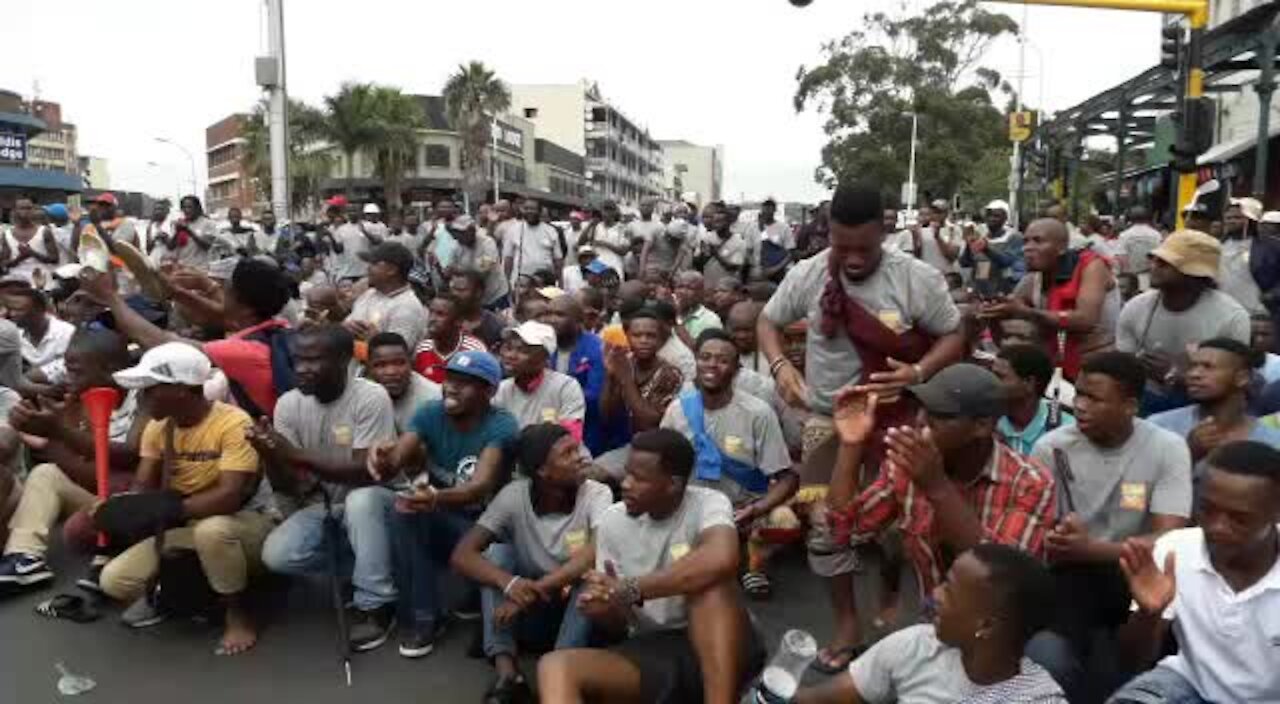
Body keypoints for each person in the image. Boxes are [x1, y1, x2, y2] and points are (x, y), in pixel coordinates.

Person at [757, 183, 965, 669]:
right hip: (829, 421)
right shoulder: (809, 274)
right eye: (840, 245)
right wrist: (780, 367)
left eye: (863, 248)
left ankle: (920, 625)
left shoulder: (916, 279)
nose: (850, 258)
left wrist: (918, 372)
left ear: (884, 231)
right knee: (827, 531)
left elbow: (954, 334)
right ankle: (847, 625)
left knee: (907, 531)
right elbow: (769, 322)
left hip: (900, 419)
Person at [820, 364, 1056, 671]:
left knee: (1048, 658)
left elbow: (1000, 579)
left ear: (983, 425)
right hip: (936, 617)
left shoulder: (1031, 482)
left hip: (1006, 626)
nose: (921, 423)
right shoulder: (908, 464)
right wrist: (851, 445)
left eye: (939, 415)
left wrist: (936, 486)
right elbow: (844, 529)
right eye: (921, 410)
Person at [535, 428, 766, 704]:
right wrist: (605, 610)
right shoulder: (613, 521)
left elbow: (722, 558)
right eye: (627, 473)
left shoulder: (707, 503)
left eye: (639, 478)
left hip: (726, 643)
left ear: (673, 484)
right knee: (555, 666)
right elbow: (620, 627)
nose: (626, 484)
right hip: (655, 649)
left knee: (709, 587)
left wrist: (630, 588)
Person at [1027, 352, 1193, 703]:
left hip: (1141, 573)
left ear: (1130, 405)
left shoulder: (1167, 447)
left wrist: (1094, 549)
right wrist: (1062, 540)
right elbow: (1039, 531)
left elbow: (1171, 537)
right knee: (1051, 655)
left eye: (1095, 398)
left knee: (1151, 657)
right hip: (1071, 574)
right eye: (1080, 394)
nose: (1081, 405)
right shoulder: (1052, 447)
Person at [96, 343, 271, 656]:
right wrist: (123, 506)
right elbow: (143, 484)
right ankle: (198, 591)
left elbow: (229, 496)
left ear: (181, 389)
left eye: (149, 389)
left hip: (249, 524)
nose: (142, 397)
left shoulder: (232, 423)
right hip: (193, 524)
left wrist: (165, 507)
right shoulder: (158, 428)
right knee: (115, 581)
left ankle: (237, 613)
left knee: (212, 531)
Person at [255, 325, 400, 652]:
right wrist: (270, 455)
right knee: (278, 556)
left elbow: (367, 472)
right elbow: (291, 484)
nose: (302, 369)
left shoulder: (370, 397)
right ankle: (376, 567)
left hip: (380, 504)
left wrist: (292, 453)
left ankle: (376, 604)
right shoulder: (288, 404)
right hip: (326, 507)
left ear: (344, 360)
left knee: (361, 502)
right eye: (297, 360)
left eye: (314, 360)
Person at [367, 350, 518, 657]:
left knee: (417, 512)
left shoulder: (502, 424)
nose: (450, 387)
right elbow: (396, 459)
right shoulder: (429, 412)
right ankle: (427, 616)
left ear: (488, 391)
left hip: (486, 527)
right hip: (441, 518)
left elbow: (479, 487)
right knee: (406, 511)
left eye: (464, 383)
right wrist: (383, 456)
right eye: (449, 378)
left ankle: (457, 598)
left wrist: (435, 497)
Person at [1107, 441, 1280, 704]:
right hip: (1189, 685)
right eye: (1207, 510)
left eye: (1239, 518)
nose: (1216, 527)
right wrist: (1148, 614)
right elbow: (1131, 663)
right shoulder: (1175, 550)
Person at [450, 424, 610, 701]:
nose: (581, 457)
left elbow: (592, 555)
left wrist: (534, 588)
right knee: (497, 556)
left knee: (590, 578)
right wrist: (509, 583)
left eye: (577, 448)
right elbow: (463, 554)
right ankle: (508, 673)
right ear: (542, 471)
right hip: (529, 612)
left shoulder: (596, 493)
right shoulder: (514, 495)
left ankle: (562, 671)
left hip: (576, 615)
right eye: (567, 453)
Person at [790, 544, 1067, 704]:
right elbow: (819, 700)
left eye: (949, 589)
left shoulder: (1038, 700)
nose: (934, 595)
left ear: (987, 626)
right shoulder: (917, 646)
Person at [0, 330, 144, 591]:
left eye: (77, 371)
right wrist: (49, 436)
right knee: (45, 473)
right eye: (67, 370)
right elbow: (84, 470)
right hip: (99, 495)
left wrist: (54, 436)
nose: (68, 379)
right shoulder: (77, 402)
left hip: (133, 500)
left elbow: (129, 456)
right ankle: (23, 557)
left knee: (85, 509)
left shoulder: (142, 395)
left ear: (110, 369)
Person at [661, 329, 797, 598]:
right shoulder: (678, 410)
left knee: (785, 521)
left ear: (736, 369)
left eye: (722, 360)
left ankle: (755, 562)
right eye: (705, 357)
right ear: (695, 362)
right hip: (692, 509)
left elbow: (786, 478)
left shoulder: (758, 413)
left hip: (742, 509)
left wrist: (756, 509)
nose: (712, 365)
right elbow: (663, 466)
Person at [82, 257, 295, 418]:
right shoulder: (277, 327)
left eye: (226, 290)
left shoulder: (244, 351)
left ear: (245, 306)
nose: (219, 292)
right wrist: (176, 292)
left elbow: (162, 344)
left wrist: (110, 297)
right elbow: (228, 315)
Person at [1116, 230, 1250, 415]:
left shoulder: (1232, 317)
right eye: (1155, 260)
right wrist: (1137, 366)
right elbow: (1122, 369)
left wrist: (1177, 376)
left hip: (1205, 407)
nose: (1154, 266)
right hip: (1144, 400)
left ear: (1194, 275)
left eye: (1165, 263)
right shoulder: (1135, 308)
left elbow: (1233, 383)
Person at [986, 217, 1118, 380]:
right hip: (1055, 369)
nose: (1028, 248)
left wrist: (1026, 312)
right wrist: (994, 315)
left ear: (1061, 248)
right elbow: (1007, 334)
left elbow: (1085, 319)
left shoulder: (1092, 266)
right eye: (1026, 241)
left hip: (1098, 369)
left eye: (1038, 241)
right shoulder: (1031, 280)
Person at [1148, 338, 1280, 479]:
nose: (1194, 374)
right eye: (1192, 366)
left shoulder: (1272, 442)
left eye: (1208, 367)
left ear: (1242, 378)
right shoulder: (1158, 427)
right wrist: (1188, 455)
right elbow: (1132, 491)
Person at [495, 321, 586, 438]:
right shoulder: (501, 390)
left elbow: (571, 437)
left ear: (544, 358)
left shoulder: (566, 387)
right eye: (508, 348)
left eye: (523, 351)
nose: (511, 355)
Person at [343, 241, 427, 352]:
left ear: (391, 270)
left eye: (374, 264)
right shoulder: (369, 294)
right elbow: (347, 325)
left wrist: (376, 340)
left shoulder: (407, 307)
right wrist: (345, 328)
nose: (367, 268)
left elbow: (395, 356)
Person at [993, 344, 1075, 455]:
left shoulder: (1067, 430)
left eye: (999, 377)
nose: (990, 382)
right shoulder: (983, 422)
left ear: (1029, 382)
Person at [366, 332, 441, 432]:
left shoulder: (433, 400)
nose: (391, 372)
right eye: (381, 365)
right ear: (369, 369)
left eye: (399, 363)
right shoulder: (362, 395)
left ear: (411, 363)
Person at [412, 292, 487, 383]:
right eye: (431, 312)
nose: (432, 319)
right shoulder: (422, 349)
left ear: (458, 321)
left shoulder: (474, 351)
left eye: (440, 314)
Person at [4, 285, 74, 370]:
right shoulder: (14, 335)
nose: (12, 314)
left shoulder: (67, 333)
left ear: (39, 309)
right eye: (11, 309)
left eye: (19, 310)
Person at [504, 198, 563, 291]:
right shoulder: (513, 230)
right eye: (526, 208)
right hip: (520, 283)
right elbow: (508, 258)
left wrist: (560, 283)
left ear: (539, 211)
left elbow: (558, 260)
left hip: (545, 283)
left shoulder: (550, 231)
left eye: (532, 208)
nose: (529, 211)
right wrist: (506, 282)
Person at [1219, 197, 1265, 314]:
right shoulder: (1219, 244)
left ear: (1251, 220)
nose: (1231, 221)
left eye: (1237, 218)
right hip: (1222, 312)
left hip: (1255, 314)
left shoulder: (1269, 248)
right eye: (1228, 218)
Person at [1, 196, 60, 286]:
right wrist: (20, 258)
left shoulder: (44, 231)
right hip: (16, 281)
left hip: (42, 280)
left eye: (29, 208)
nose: (26, 211)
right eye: (22, 208)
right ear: (15, 211)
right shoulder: (7, 234)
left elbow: (54, 259)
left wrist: (32, 253)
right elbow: (4, 263)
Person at [695, 202, 749, 288]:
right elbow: (699, 265)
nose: (717, 225)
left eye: (720, 221)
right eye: (715, 221)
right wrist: (702, 254)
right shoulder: (706, 238)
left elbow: (733, 267)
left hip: (727, 288)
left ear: (729, 222)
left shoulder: (739, 242)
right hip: (708, 286)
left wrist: (716, 254)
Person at [165, 195, 219, 269]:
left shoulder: (208, 223)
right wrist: (177, 232)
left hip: (201, 268)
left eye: (190, 207)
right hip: (182, 268)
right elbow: (170, 247)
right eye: (184, 207)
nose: (186, 210)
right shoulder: (179, 223)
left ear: (197, 208)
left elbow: (207, 246)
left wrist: (189, 231)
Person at [673, 271, 723, 349]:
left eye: (689, 288)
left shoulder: (711, 319)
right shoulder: (666, 313)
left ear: (701, 293)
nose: (682, 292)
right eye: (680, 287)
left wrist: (677, 320)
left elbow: (699, 351)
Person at [1115, 206, 1162, 284]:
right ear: (1147, 218)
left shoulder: (1124, 235)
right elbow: (1160, 256)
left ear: (1131, 219)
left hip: (1132, 279)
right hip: (1150, 277)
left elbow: (1122, 258)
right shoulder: (1156, 235)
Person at [641, 204, 691, 273]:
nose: (671, 240)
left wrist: (672, 272)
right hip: (651, 268)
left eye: (675, 240)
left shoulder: (683, 237)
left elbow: (679, 257)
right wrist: (642, 269)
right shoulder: (656, 230)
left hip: (669, 269)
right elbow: (644, 252)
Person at [727, 300, 768, 376]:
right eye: (736, 330)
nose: (741, 336)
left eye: (747, 330)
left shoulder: (770, 356)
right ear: (728, 328)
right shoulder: (723, 356)